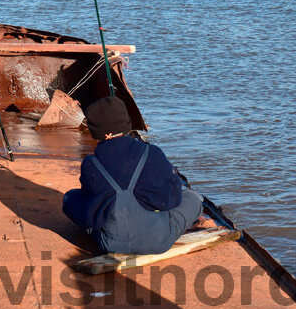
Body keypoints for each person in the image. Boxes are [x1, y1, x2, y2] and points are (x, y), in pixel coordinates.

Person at [62, 96, 204, 254]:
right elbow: (173, 199)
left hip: (109, 244)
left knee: (69, 198)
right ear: (127, 123)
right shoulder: (152, 153)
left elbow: (90, 208)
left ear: (97, 132)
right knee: (194, 199)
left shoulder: (91, 164)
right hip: (159, 241)